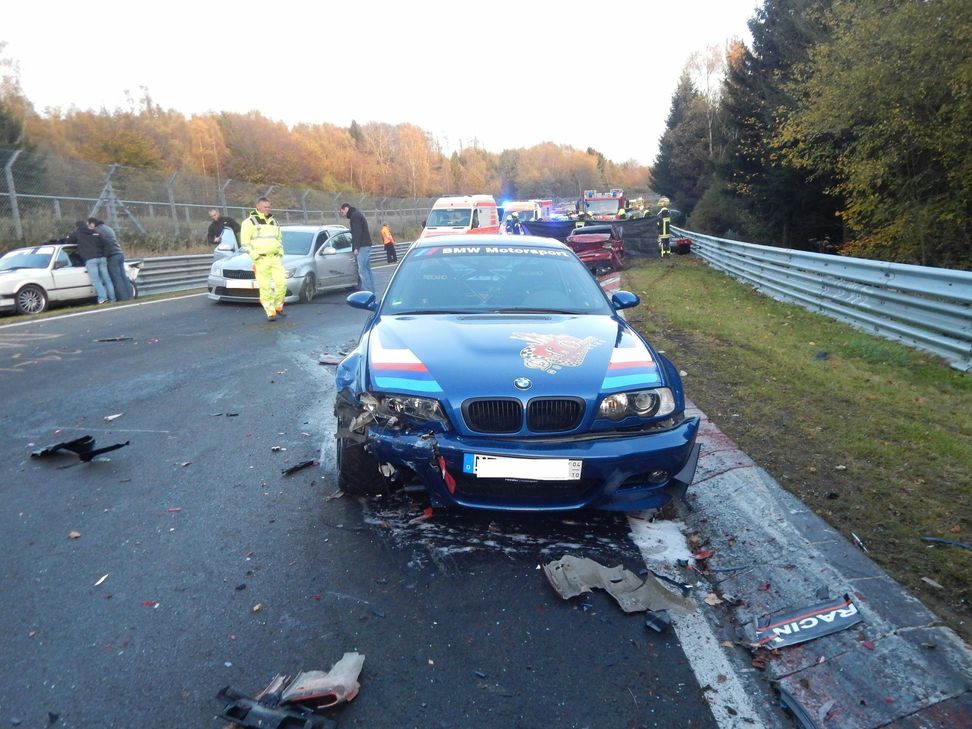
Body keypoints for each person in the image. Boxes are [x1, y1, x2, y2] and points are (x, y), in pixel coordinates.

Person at [240, 197, 286, 321]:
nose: (267, 209)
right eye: (265, 207)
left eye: (269, 207)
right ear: (258, 206)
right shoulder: (249, 222)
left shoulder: (274, 222)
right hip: (261, 260)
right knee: (265, 287)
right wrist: (256, 256)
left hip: (275, 258)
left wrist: (281, 252)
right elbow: (245, 243)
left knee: (282, 284)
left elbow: (279, 239)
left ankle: (278, 307)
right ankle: (270, 312)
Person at [69, 220, 115, 303]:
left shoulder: (77, 233)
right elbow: (107, 243)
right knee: (107, 279)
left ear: (77, 227)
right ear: (86, 225)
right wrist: (105, 255)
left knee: (96, 280)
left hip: (90, 259)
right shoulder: (94, 231)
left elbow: (69, 242)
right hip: (102, 258)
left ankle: (103, 298)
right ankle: (113, 299)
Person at [88, 217, 131, 301]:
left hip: (112, 255)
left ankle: (123, 298)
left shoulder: (97, 230)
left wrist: (104, 255)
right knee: (123, 277)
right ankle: (129, 296)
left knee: (116, 278)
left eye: (89, 225)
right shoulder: (108, 228)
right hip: (119, 253)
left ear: (92, 224)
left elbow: (101, 243)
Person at [341, 203, 374, 293]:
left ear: (346, 208)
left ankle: (367, 292)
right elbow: (357, 231)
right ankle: (371, 291)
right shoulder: (357, 214)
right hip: (366, 245)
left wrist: (356, 247)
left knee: (362, 271)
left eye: (342, 211)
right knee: (367, 270)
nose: (342, 214)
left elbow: (357, 232)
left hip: (362, 246)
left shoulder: (355, 216)